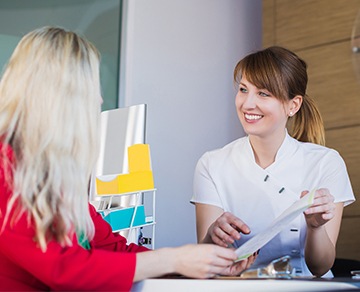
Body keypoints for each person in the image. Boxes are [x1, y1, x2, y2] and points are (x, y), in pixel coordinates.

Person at [0, 26, 256, 291]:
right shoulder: (5, 166)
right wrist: (175, 259)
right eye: (91, 87)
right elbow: (63, 268)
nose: (99, 99)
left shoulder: (53, 177)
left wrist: (201, 263)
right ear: (59, 95)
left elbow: (114, 250)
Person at [191, 46, 355, 278]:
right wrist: (213, 236)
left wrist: (316, 227)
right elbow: (207, 262)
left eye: (263, 94)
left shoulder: (326, 162)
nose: (247, 104)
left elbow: (320, 266)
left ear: (293, 105)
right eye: (243, 90)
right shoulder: (211, 164)